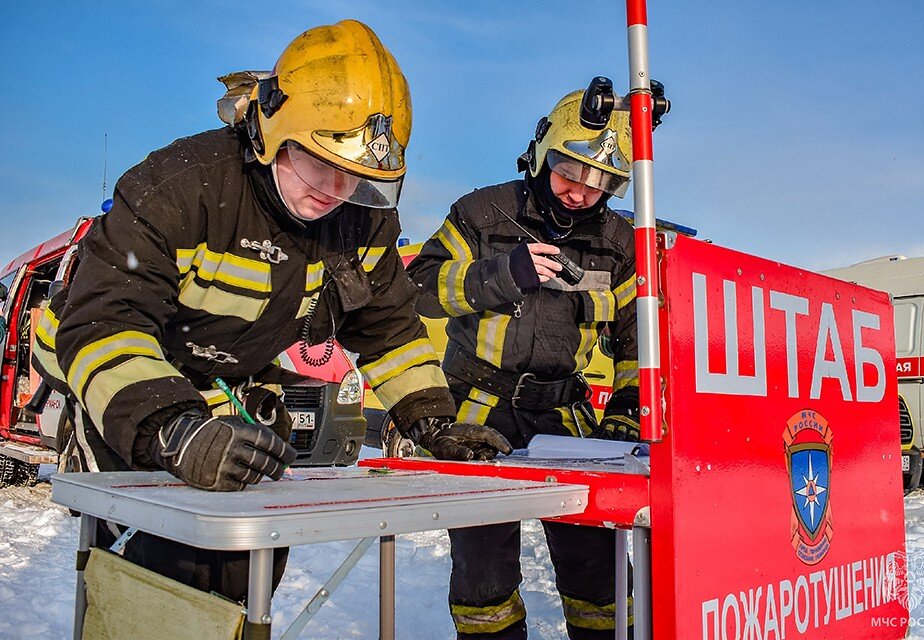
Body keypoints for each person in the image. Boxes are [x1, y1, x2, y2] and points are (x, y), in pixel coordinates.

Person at [31, 20, 509, 605]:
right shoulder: (179, 187)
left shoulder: (358, 220)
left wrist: (429, 420)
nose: (337, 189)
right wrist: (172, 430)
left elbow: (389, 331)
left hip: (218, 382)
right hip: (114, 375)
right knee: (153, 553)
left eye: (361, 178)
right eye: (320, 163)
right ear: (272, 133)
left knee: (243, 554)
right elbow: (106, 325)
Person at [406, 87, 641, 639]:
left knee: (599, 569)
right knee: (484, 572)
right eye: (570, 174)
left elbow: (636, 341)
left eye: (600, 183)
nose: (582, 193)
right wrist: (501, 274)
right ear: (542, 154)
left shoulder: (621, 242)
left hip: (566, 421)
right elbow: (416, 289)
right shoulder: (481, 212)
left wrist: (627, 409)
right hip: (477, 414)